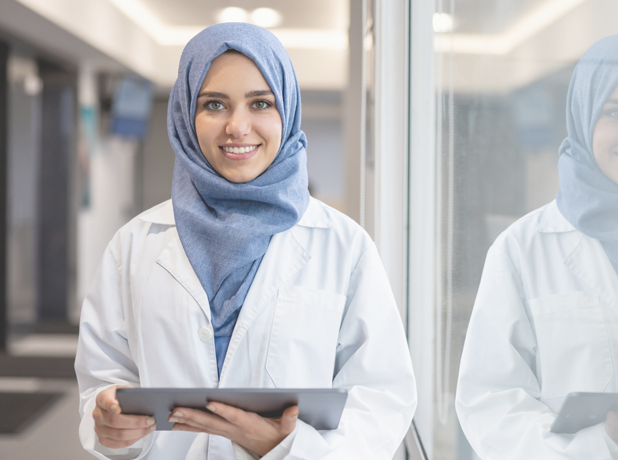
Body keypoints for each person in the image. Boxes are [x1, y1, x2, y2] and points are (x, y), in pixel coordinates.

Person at [75, 23, 416, 460]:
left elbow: (383, 399)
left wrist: (288, 448)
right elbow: (102, 381)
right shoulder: (133, 246)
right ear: (184, 115)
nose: (238, 127)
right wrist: (110, 424)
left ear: (287, 112)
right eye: (214, 104)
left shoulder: (345, 247)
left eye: (261, 103)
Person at [456, 35, 618, 459]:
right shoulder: (522, 250)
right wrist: (602, 443)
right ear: (583, 118)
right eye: (614, 111)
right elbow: (489, 404)